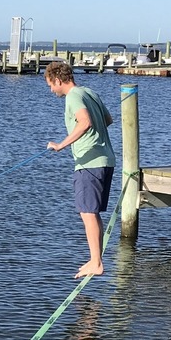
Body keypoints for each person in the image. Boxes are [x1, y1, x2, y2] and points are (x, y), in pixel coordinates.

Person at [44, 61, 116, 278]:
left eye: (50, 85)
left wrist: (61, 145)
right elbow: (107, 119)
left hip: (89, 163)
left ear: (58, 80)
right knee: (92, 214)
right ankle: (96, 260)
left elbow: (85, 122)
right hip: (106, 160)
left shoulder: (73, 96)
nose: (51, 90)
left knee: (87, 213)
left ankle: (96, 263)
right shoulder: (89, 92)